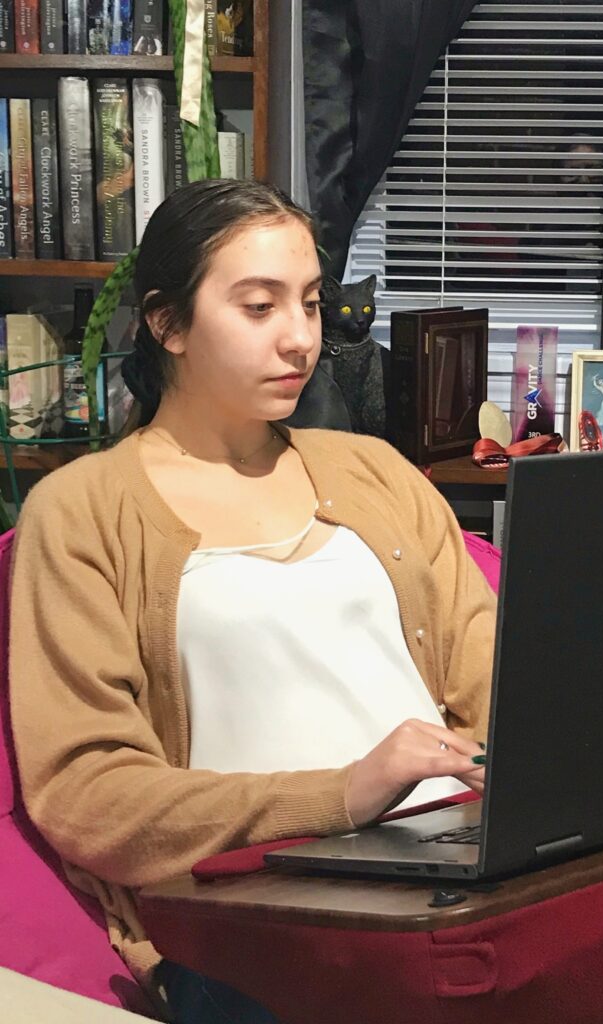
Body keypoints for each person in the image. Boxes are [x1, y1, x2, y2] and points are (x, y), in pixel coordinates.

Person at [8, 179, 496, 1023]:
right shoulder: (84, 509)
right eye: (259, 307)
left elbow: (497, 679)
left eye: (310, 303)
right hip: (252, 922)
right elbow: (87, 796)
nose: (301, 338)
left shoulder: (373, 471)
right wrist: (343, 792)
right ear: (167, 323)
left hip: (454, 880)